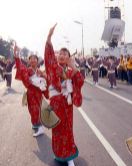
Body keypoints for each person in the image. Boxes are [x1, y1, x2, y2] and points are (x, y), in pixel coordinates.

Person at [45, 24, 84, 166]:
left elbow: (79, 82)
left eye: (65, 54)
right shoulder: (52, 67)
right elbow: (48, 56)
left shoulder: (70, 71)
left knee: (67, 130)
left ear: (68, 58)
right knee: (57, 130)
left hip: (66, 106)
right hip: (56, 104)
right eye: (60, 53)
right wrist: (49, 37)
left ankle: (69, 157)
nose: (61, 55)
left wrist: (73, 66)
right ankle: (59, 154)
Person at [14, 44, 47, 137]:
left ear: (37, 61)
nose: (33, 60)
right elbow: (20, 66)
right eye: (31, 59)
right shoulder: (27, 70)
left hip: (39, 94)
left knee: (37, 110)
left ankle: (40, 128)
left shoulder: (40, 71)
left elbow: (46, 81)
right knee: (32, 110)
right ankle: (36, 124)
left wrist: (43, 76)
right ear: (29, 61)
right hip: (31, 94)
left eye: (34, 59)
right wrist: (17, 54)